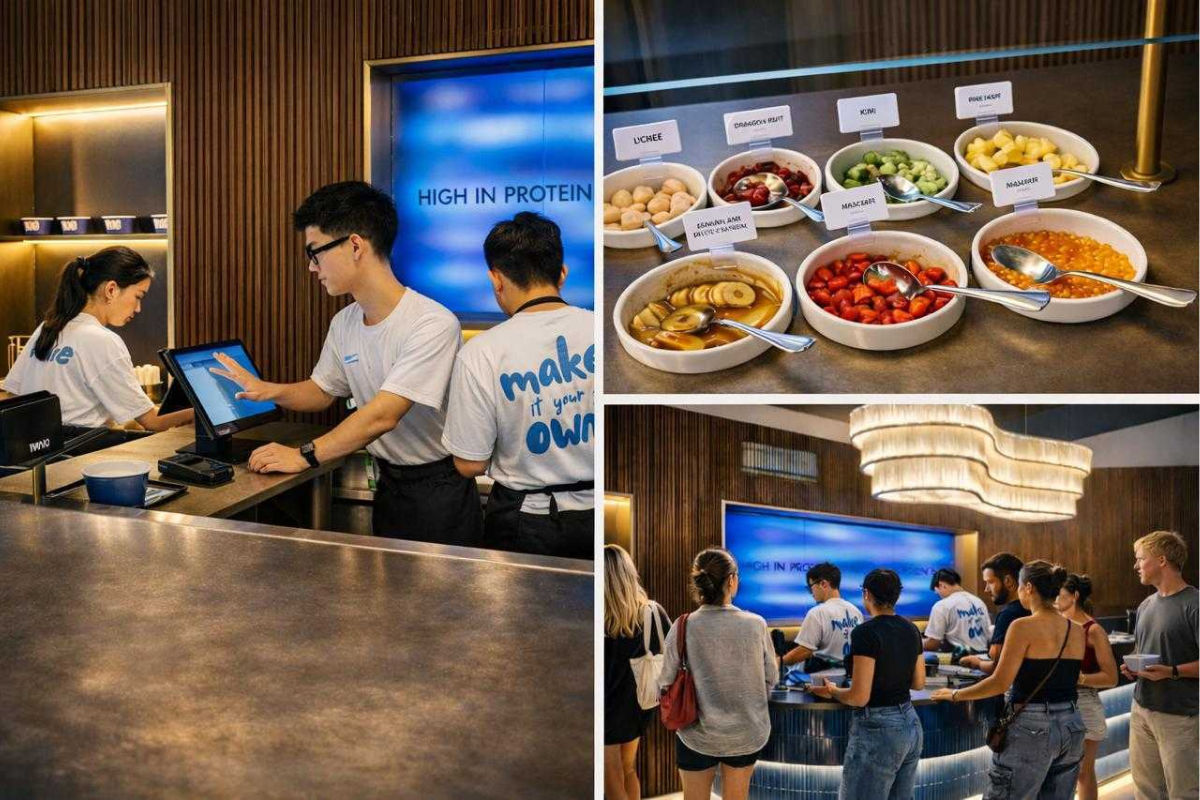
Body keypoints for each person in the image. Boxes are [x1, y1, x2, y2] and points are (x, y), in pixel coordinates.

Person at [209, 181, 482, 546]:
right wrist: (268, 390)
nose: (311, 267)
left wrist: (304, 456)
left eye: (315, 252)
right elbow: (322, 391)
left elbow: (384, 414)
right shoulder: (345, 321)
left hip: (438, 487)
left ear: (355, 245)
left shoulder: (432, 323)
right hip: (388, 482)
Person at [442, 212, 593, 559]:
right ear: (563, 274)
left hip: (525, 520)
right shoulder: (601, 330)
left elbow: (469, 464)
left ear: (496, 279)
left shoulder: (482, 351)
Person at [1, 247, 193, 444]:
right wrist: (199, 412)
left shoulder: (47, 327)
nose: (138, 308)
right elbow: (152, 422)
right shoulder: (102, 340)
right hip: (77, 456)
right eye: (138, 296)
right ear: (111, 290)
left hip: (37, 455)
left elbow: (13, 394)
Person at [932, 560, 1087, 800]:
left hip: (1032, 727)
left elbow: (999, 682)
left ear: (1029, 588)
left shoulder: (1022, 626)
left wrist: (955, 694)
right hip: (1072, 724)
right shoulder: (1076, 629)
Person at [658, 548, 777, 800]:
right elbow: (771, 677)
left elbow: (665, 680)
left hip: (695, 734)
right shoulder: (756, 624)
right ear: (732, 580)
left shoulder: (683, 625)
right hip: (746, 731)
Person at [809, 568, 925, 800]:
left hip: (878, 730)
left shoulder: (865, 632)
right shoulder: (911, 628)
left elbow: (859, 696)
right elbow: (919, 682)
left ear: (866, 594)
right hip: (911, 725)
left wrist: (833, 691)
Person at [1121, 530, 1198, 800]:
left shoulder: (1195, 604)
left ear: (1162, 560)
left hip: (1181, 717)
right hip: (1141, 708)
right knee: (1145, 790)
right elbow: (1142, 649)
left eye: (1140, 558)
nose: (1136, 565)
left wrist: (1172, 672)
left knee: (1183, 792)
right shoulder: (1145, 605)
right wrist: (1132, 666)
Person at [603, 544, 670, 800]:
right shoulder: (651, 611)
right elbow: (672, 651)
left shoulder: (599, 615)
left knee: (610, 778)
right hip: (638, 705)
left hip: (606, 710)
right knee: (628, 769)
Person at [1055, 572, 1118, 800]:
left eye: (1058, 594)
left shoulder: (1092, 630)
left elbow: (1111, 677)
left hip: (1085, 704)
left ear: (1075, 596)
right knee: (1059, 771)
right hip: (1057, 703)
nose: (1053, 598)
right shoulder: (1056, 625)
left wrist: (1079, 678)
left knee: (1082, 771)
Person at [782, 562, 863, 671]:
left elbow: (805, 650)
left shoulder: (817, 613)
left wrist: (778, 661)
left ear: (823, 584)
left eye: (811, 587)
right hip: (850, 678)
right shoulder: (856, 612)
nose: (811, 593)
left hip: (823, 680)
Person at [960, 552, 1030, 675]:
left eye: (990, 582)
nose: (986, 589)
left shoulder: (1008, 614)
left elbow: (997, 666)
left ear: (1008, 581)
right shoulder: (1034, 610)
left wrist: (976, 663)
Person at [922, 567, 992, 655]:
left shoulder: (942, 605)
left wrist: (917, 642)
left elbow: (932, 645)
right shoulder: (979, 602)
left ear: (942, 585)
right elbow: (989, 634)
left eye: (937, 592)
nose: (939, 596)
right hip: (984, 657)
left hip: (961, 661)